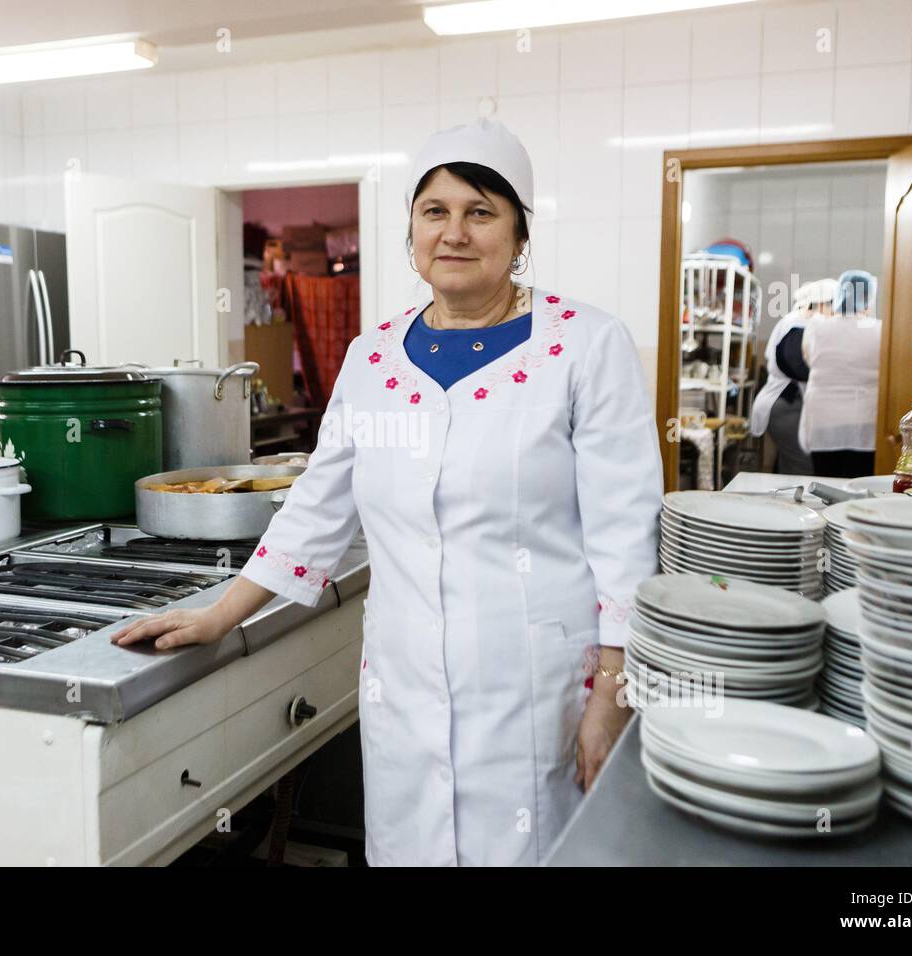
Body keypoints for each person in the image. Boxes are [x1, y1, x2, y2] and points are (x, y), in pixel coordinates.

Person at [111, 119, 663, 866]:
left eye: (481, 211)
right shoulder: (374, 356)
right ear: (411, 230)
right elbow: (316, 508)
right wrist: (220, 616)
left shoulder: (587, 346)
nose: (455, 232)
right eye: (435, 211)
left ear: (519, 234)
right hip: (402, 687)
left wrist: (611, 693)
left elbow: (625, 536)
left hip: (536, 690)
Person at [798, 269, 881, 478]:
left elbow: (808, 359)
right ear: (868, 298)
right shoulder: (878, 329)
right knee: (859, 482)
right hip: (863, 417)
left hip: (824, 417)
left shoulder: (816, 326)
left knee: (826, 481)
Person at [750, 278, 837, 475]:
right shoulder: (798, 324)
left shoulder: (801, 323)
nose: (835, 315)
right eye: (834, 308)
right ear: (821, 304)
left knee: (789, 467)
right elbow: (796, 366)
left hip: (787, 404)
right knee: (803, 468)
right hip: (786, 405)